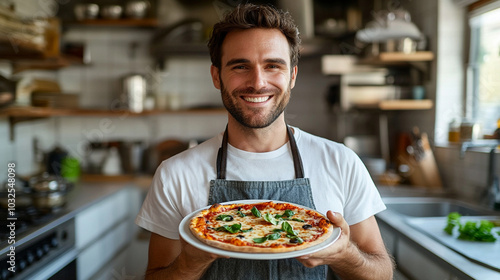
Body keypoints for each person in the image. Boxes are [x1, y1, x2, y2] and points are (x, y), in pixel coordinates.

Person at [135, 3, 394, 280]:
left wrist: (345, 255)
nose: (258, 82)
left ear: (292, 76)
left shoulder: (341, 162)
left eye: (273, 66)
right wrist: (191, 261)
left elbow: (382, 274)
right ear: (216, 76)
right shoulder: (175, 174)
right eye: (240, 66)